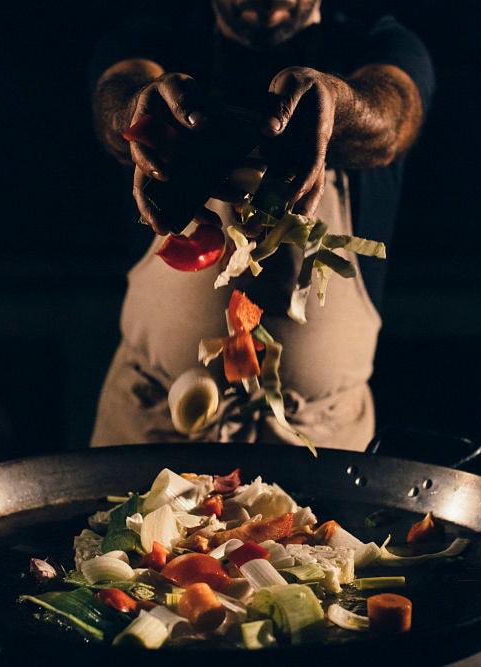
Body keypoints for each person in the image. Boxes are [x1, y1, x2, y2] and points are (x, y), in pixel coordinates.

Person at [89, 0, 433, 450]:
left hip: (322, 445)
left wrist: (335, 107)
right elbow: (115, 95)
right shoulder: (155, 40)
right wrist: (137, 112)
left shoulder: (378, 44)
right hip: (152, 431)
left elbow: (391, 115)